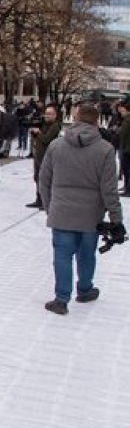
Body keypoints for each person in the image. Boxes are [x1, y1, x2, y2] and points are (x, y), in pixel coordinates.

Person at [39, 103, 124, 315]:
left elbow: (44, 180)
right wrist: (116, 219)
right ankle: (85, 289)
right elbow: (109, 189)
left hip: (61, 210)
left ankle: (61, 299)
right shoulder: (105, 149)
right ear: (97, 122)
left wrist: (50, 206)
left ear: (75, 119)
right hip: (90, 214)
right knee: (87, 253)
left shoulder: (56, 146)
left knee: (62, 254)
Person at [27, 103, 62, 209]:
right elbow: (37, 139)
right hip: (38, 156)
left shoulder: (55, 126)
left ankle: (46, 201)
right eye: (46, 113)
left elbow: (46, 139)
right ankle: (39, 199)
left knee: (45, 179)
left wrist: (38, 133)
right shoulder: (43, 124)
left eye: (50, 114)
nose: (47, 116)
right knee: (37, 178)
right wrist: (34, 133)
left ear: (55, 115)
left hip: (47, 157)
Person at [117, 101, 130, 197]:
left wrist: (117, 131)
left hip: (127, 149)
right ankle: (126, 187)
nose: (121, 112)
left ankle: (128, 189)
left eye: (123, 110)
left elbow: (122, 134)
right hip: (126, 148)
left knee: (127, 170)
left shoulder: (127, 120)